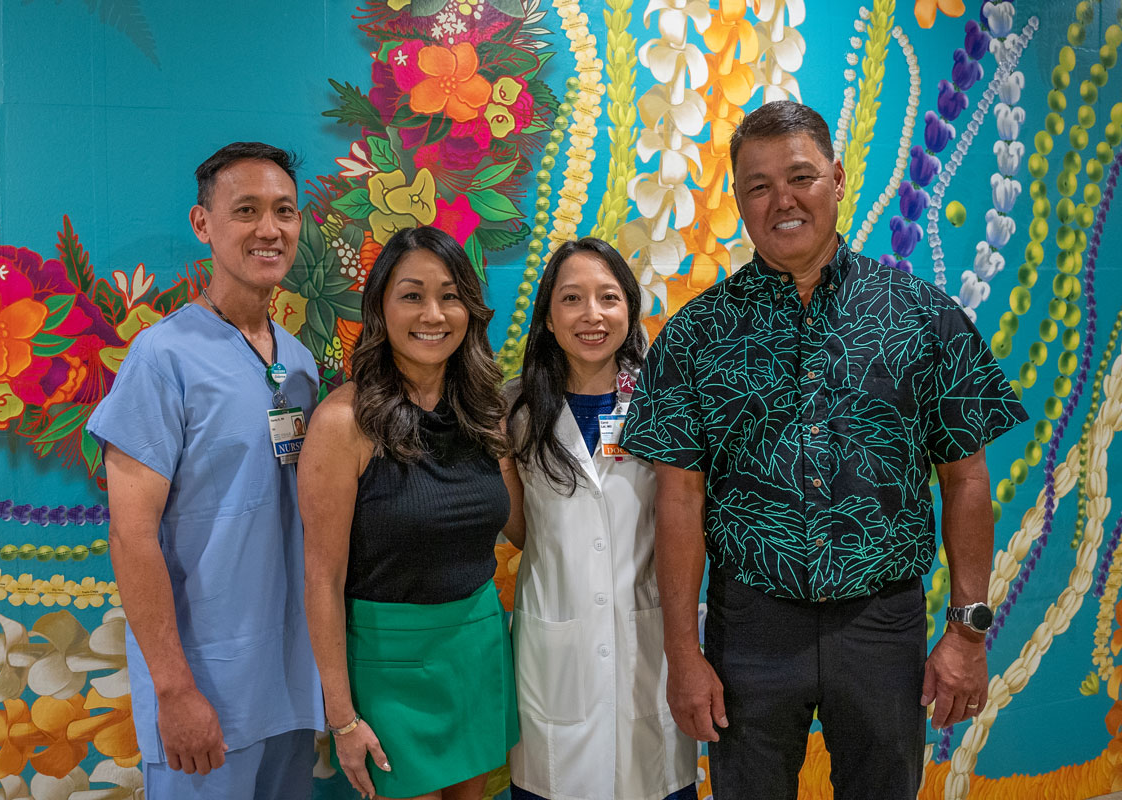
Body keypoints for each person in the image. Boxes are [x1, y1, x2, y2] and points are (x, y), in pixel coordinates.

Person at [619, 101, 1028, 799]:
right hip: (749, 629)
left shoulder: (924, 318)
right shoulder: (695, 336)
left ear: (837, 179)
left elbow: (966, 479)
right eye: (758, 185)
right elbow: (679, 498)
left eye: (801, 176)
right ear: (740, 200)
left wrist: (966, 633)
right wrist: (683, 654)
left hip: (882, 625)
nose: (782, 199)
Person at [86, 142, 326, 798]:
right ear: (204, 225)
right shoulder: (162, 358)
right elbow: (131, 535)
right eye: (246, 210)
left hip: (288, 688)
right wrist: (174, 689)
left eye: (284, 211)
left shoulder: (300, 363)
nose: (269, 229)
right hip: (206, 694)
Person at [299, 225, 520, 800]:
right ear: (380, 308)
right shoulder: (342, 423)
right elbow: (321, 581)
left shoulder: (486, 412)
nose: (434, 313)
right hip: (387, 668)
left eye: (449, 295)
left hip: (475, 652)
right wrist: (342, 716)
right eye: (412, 294)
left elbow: (522, 527)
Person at [502, 237, 697, 800]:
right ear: (548, 317)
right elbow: (522, 531)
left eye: (608, 298)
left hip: (648, 648)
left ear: (630, 311)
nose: (592, 315)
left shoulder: (666, 404)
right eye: (572, 299)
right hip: (555, 654)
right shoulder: (515, 412)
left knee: (652, 778)